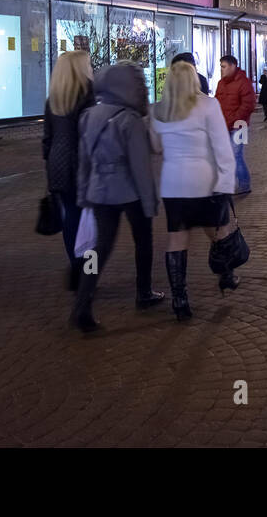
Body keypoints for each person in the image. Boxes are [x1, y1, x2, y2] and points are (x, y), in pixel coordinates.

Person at [70, 62, 165, 333]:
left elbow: (84, 161)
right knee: (143, 241)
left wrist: (83, 193)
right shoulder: (129, 119)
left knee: (99, 249)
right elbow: (140, 167)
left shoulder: (89, 116)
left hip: (99, 191)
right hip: (129, 191)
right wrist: (150, 201)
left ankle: (82, 303)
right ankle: (143, 292)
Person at [151, 61, 245, 320]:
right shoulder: (207, 105)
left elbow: (156, 147)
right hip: (203, 182)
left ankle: (180, 300)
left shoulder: (159, 111)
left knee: (177, 240)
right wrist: (226, 182)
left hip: (172, 185)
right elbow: (221, 147)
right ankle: (226, 275)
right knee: (219, 231)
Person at [43, 50, 94, 293]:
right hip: (81, 165)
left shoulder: (53, 98)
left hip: (57, 165)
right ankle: (87, 274)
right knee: (90, 224)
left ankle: (76, 268)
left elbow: (47, 139)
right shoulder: (87, 95)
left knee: (71, 220)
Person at [214, 54, 256, 194]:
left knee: (236, 155)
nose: (222, 70)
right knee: (228, 156)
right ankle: (229, 185)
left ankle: (244, 185)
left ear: (232, 66)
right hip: (224, 126)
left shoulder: (244, 82)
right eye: (221, 67)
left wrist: (233, 119)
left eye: (224, 67)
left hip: (240, 126)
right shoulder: (221, 83)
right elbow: (217, 103)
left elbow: (248, 105)